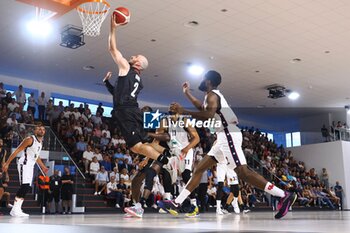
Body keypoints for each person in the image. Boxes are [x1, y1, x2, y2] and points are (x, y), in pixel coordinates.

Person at [158, 70, 296, 219]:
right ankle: (177, 203)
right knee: (199, 169)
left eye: (203, 79)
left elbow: (208, 115)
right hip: (223, 136)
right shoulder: (210, 96)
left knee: (243, 173)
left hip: (228, 133)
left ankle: (283, 194)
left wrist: (183, 110)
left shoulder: (212, 96)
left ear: (208, 81)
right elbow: (202, 108)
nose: (201, 81)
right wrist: (187, 93)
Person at [104, 13, 170, 167]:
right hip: (132, 110)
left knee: (136, 147)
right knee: (143, 143)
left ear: (138, 64)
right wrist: (107, 83)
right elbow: (118, 93)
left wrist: (113, 28)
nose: (132, 56)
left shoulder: (127, 68)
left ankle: (165, 162)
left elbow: (112, 49)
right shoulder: (138, 81)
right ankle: (167, 154)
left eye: (135, 57)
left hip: (126, 111)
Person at [2, 122, 48, 217]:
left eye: (43, 129)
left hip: (31, 165)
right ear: (35, 130)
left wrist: (42, 166)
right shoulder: (30, 139)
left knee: (27, 187)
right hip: (24, 164)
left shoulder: (40, 142)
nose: (41, 131)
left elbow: (36, 156)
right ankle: (15, 210)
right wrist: (7, 163)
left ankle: (17, 209)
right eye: (39, 129)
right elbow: (16, 151)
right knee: (24, 186)